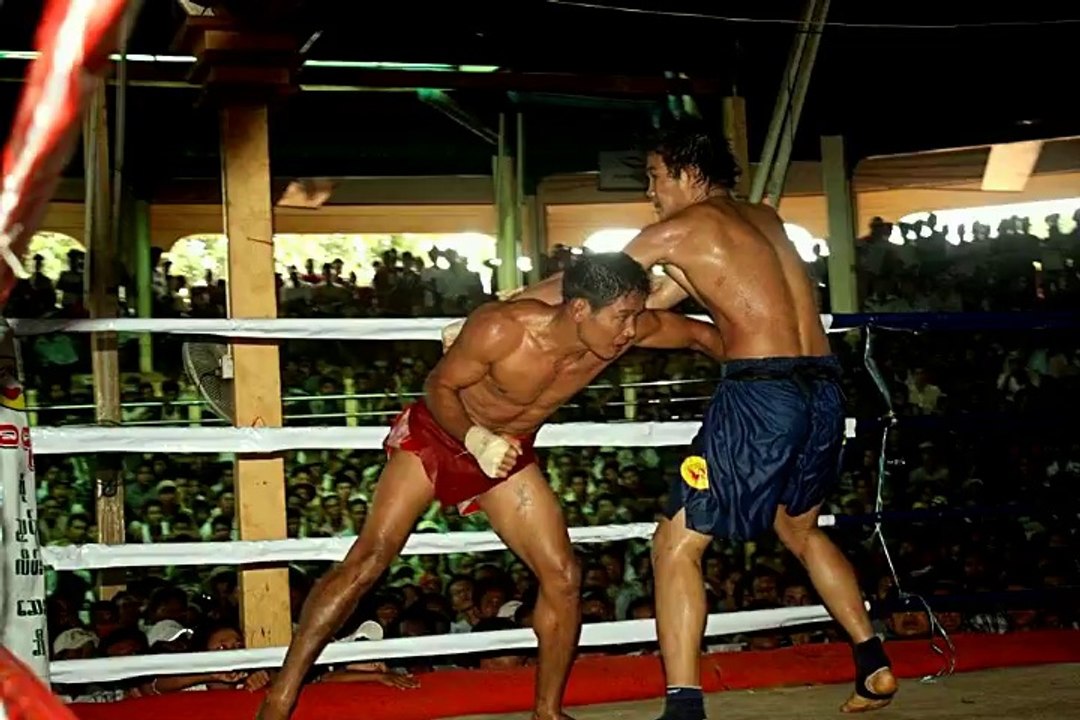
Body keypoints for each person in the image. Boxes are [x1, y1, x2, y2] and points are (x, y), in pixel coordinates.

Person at [515, 119, 897, 719]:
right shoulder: (764, 218)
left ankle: (683, 707)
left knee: (674, 544)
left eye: (656, 177)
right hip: (825, 388)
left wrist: (499, 310)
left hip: (762, 394)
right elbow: (664, 295)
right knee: (799, 528)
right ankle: (873, 662)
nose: (651, 192)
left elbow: (586, 285)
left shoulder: (680, 228)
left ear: (689, 173)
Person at [256, 252, 725, 720]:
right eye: (621, 317)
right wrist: (475, 439)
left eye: (634, 316)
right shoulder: (504, 328)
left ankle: (547, 711)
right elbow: (439, 386)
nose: (629, 330)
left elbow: (701, 336)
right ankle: (280, 698)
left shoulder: (624, 332)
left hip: (508, 452)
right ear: (580, 308)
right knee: (369, 559)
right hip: (439, 436)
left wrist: (763, 372)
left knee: (563, 577)